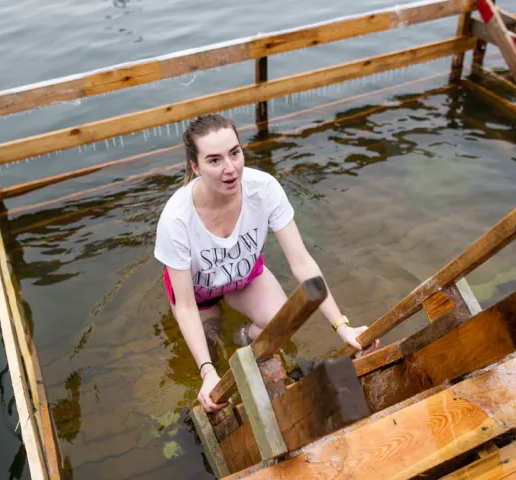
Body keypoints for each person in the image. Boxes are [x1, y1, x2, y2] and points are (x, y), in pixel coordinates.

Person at [154, 114, 378, 412]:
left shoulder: (264, 188)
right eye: (214, 160)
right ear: (195, 167)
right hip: (199, 293)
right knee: (211, 351)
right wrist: (207, 372)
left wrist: (342, 327)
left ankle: (245, 336)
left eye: (234, 153)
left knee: (281, 328)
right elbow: (184, 306)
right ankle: (220, 353)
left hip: (245, 278)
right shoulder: (176, 218)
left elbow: (302, 263)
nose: (230, 168)